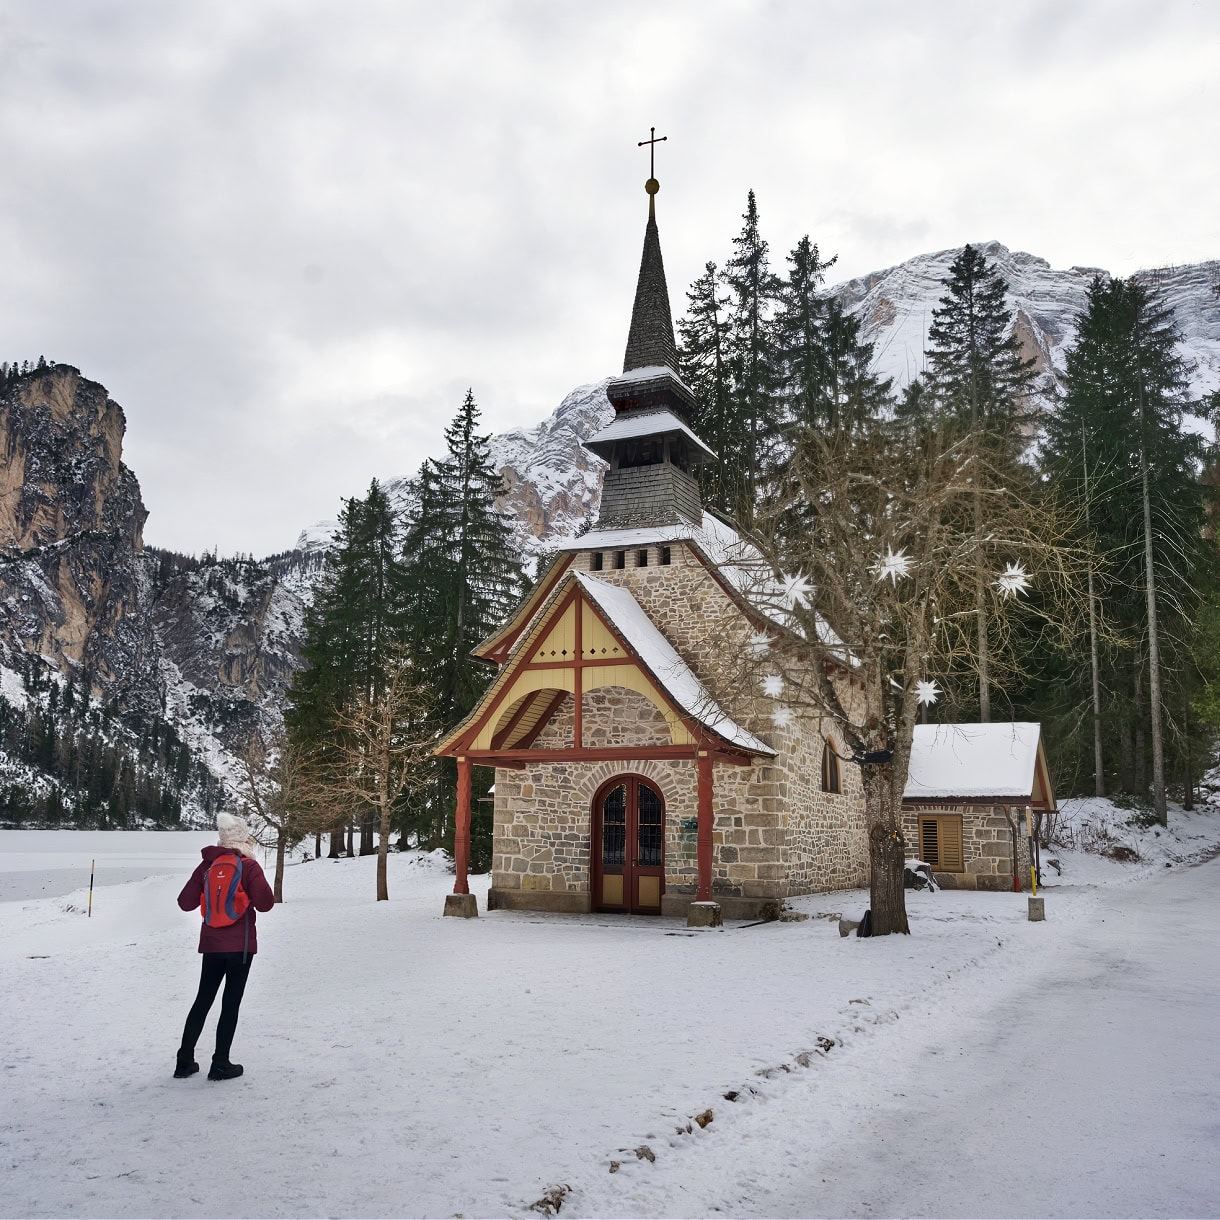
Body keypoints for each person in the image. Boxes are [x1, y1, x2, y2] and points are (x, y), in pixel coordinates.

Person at [174, 812, 275, 1081]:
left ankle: (184, 1061)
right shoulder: (248, 866)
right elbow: (266, 904)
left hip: (211, 944)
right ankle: (220, 1063)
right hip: (240, 947)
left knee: (202, 1000)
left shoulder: (208, 865)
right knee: (230, 1003)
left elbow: (185, 902)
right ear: (243, 838)